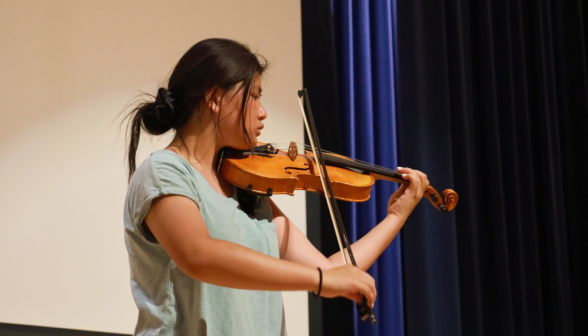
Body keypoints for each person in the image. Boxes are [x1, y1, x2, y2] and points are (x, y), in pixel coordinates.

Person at [123, 38, 429, 336]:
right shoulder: (165, 172)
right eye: (254, 95)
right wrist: (321, 279)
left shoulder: (248, 193)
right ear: (214, 99)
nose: (262, 111)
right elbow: (198, 255)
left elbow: (330, 269)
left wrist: (395, 217)